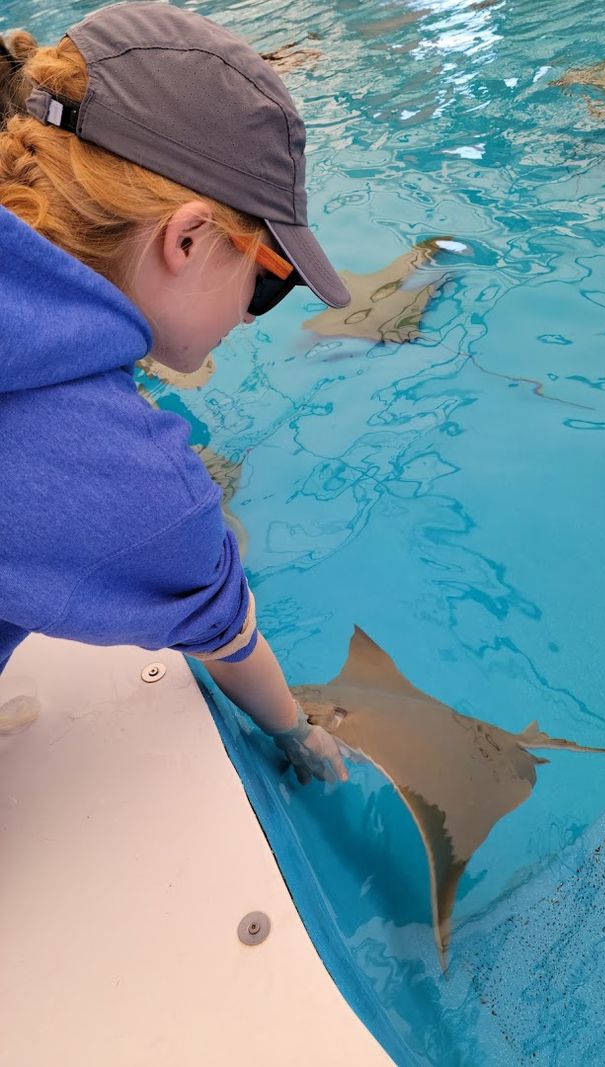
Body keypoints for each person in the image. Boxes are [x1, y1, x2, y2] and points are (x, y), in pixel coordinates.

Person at [0, 1, 349, 784]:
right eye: (268, 283)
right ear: (187, 240)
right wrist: (300, 737)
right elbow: (225, 631)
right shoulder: (140, 487)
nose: (253, 316)